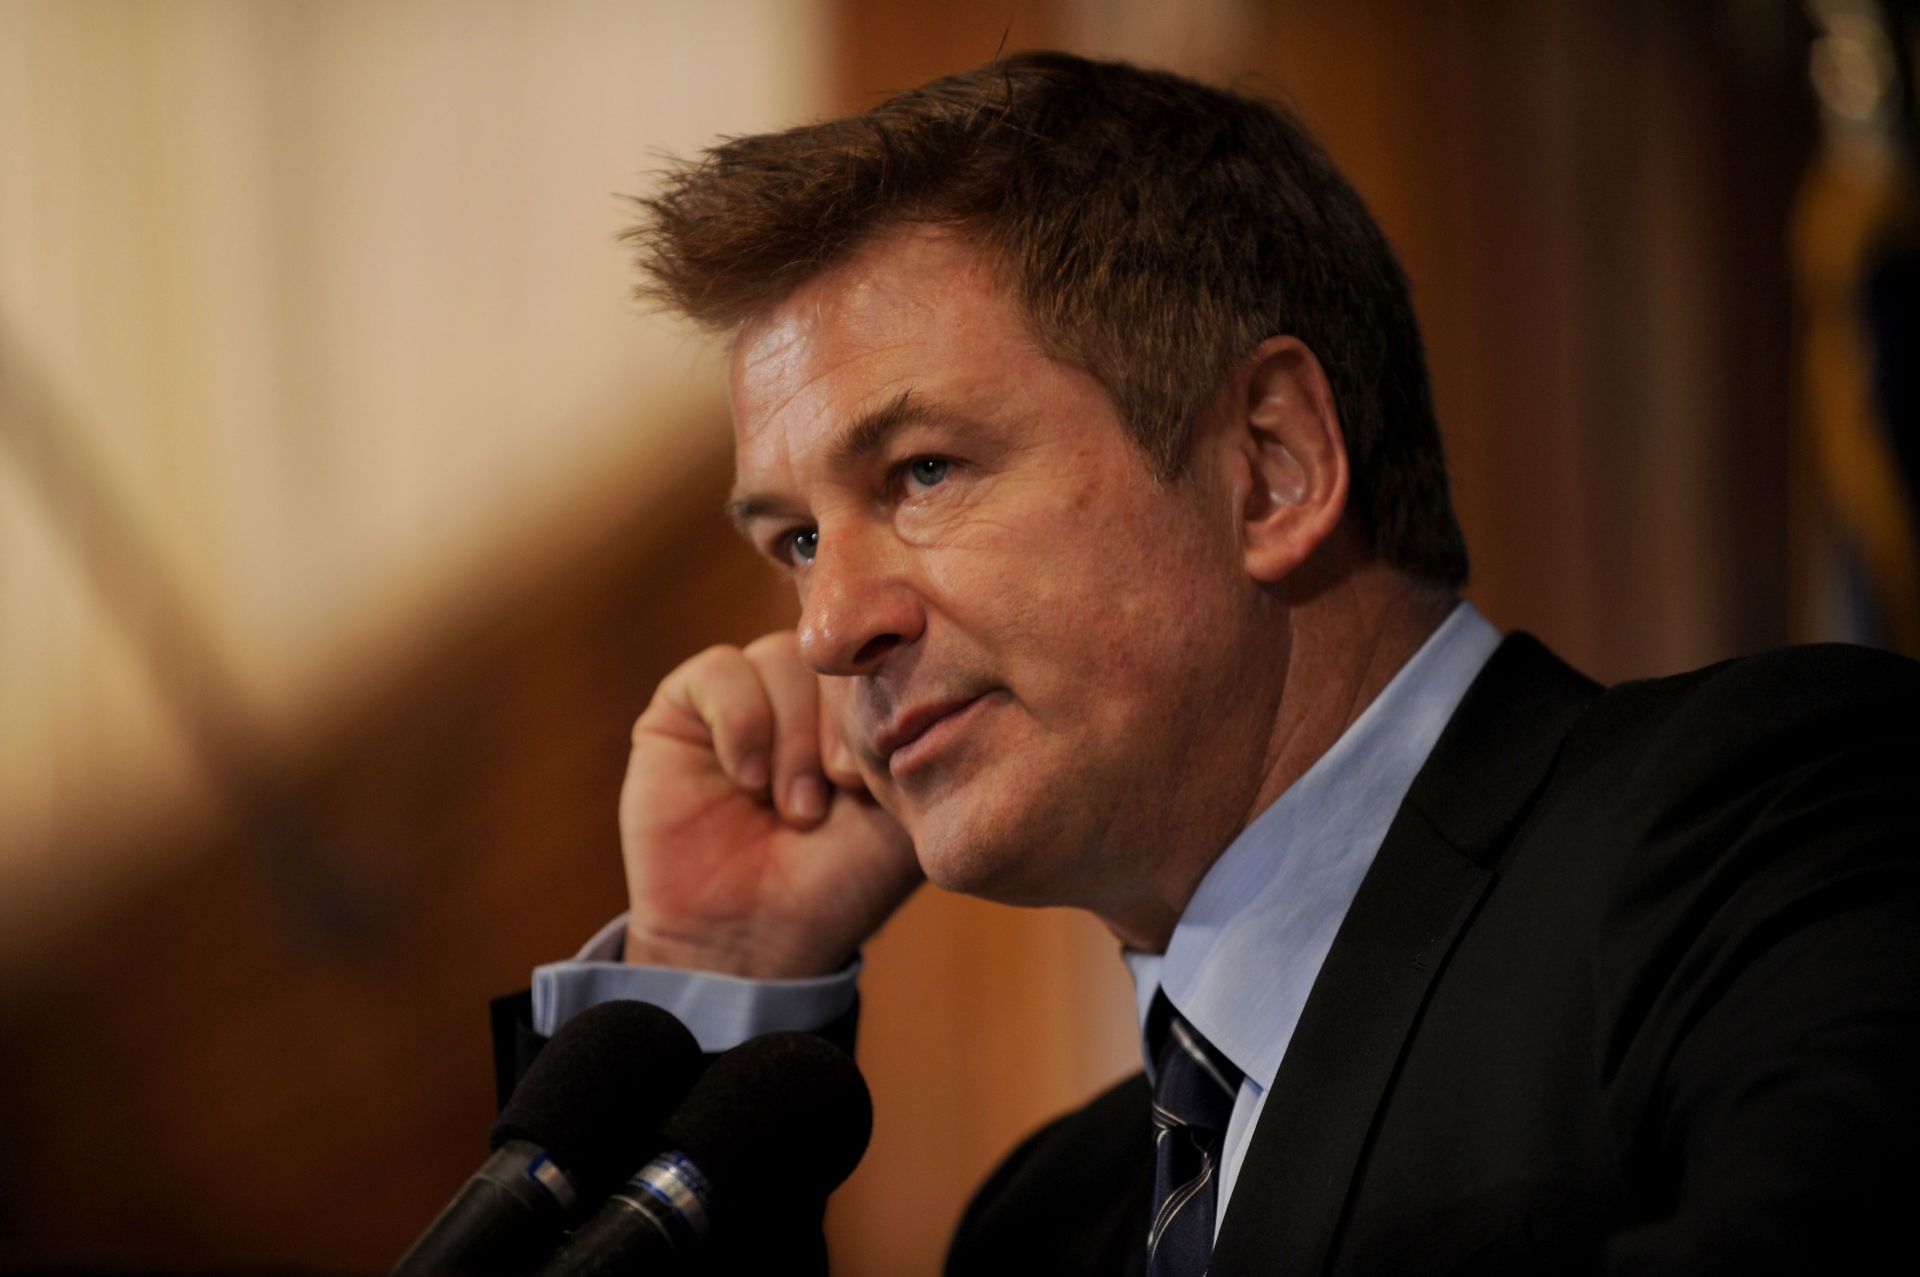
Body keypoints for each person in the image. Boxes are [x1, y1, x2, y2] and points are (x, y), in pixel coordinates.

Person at [495, 51, 1920, 1275]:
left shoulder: (1777, 814)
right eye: (797, 539)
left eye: (922, 470)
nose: (827, 627)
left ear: (1272, 466)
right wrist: (715, 976)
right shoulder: (1044, 1227)